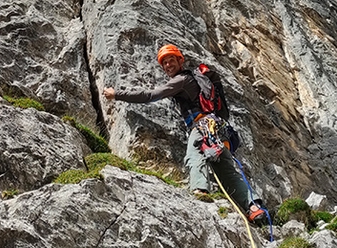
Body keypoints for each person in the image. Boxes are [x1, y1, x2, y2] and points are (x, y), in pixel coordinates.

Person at [103, 43, 265, 224]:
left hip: (203, 127)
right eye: (164, 63)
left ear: (180, 61)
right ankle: (254, 208)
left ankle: (200, 191)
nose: (167, 65)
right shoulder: (195, 80)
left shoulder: (182, 80)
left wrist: (117, 94)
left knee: (194, 156)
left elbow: (150, 95)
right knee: (227, 172)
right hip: (219, 129)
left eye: (171, 60)